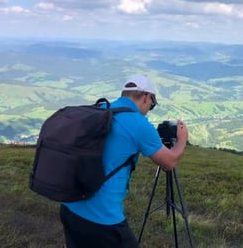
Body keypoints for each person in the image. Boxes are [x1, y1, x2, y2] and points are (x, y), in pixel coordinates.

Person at [59, 75, 189, 248]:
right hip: (103, 218)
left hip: (70, 206)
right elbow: (169, 162)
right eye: (152, 103)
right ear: (147, 97)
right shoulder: (138, 123)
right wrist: (182, 139)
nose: (150, 107)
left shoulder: (101, 108)